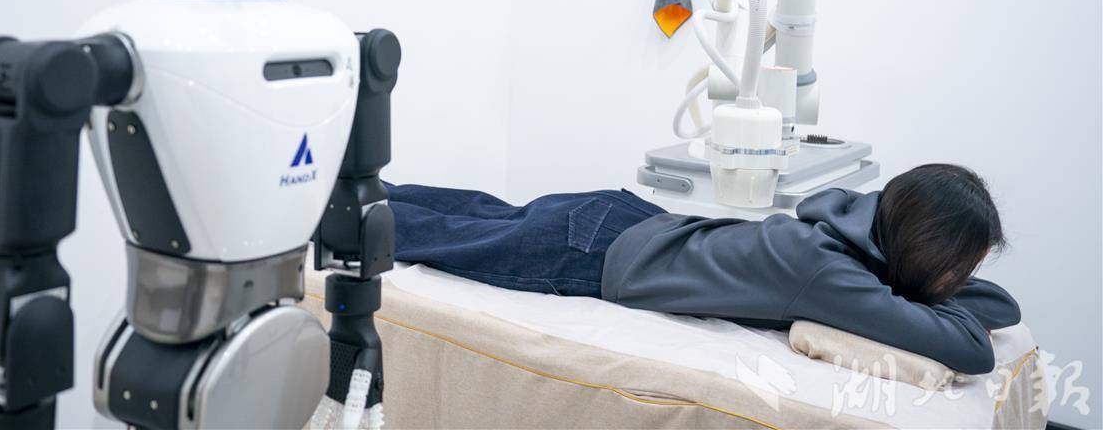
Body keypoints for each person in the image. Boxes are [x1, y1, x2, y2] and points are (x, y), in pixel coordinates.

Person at [386, 163, 1019, 375]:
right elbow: (972, 349)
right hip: (587, 255)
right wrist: (929, 293)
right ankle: (344, 205)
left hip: (619, 218)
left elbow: (1001, 305)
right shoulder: (828, 274)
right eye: (955, 269)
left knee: (473, 213)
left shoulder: (851, 225)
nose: (960, 282)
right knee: (433, 237)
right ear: (922, 250)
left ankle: (360, 183)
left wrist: (931, 284)